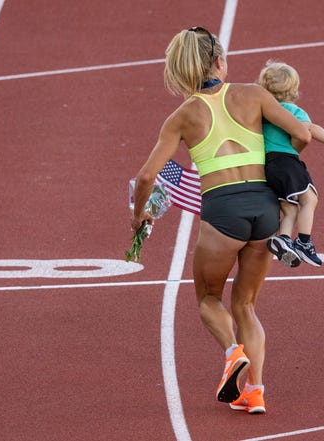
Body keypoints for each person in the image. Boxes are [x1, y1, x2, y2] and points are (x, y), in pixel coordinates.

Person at [130, 27, 311, 414]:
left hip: (222, 212)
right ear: (219, 62)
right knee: (245, 305)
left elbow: (147, 177)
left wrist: (138, 216)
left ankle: (232, 353)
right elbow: (301, 134)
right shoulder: (254, 94)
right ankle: (255, 391)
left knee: (209, 298)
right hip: (265, 209)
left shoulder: (181, 116)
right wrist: (281, 167)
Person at [257, 60, 324, 268]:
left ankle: (283, 238)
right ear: (293, 89)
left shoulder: (262, 112)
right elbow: (311, 129)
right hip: (287, 161)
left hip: (267, 167)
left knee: (289, 208)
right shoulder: (292, 110)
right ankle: (304, 241)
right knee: (309, 199)